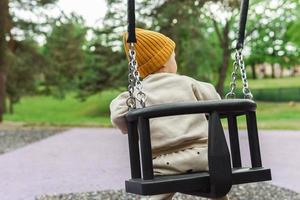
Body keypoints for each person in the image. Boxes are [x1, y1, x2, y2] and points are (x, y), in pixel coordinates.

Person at [110, 28, 229, 200]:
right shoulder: (188, 83)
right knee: (219, 190)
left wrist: (129, 126)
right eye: (173, 56)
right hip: (205, 159)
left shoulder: (137, 93)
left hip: (163, 165)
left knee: (159, 192)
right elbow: (215, 101)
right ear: (164, 61)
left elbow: (117, 115)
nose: (175, 60)